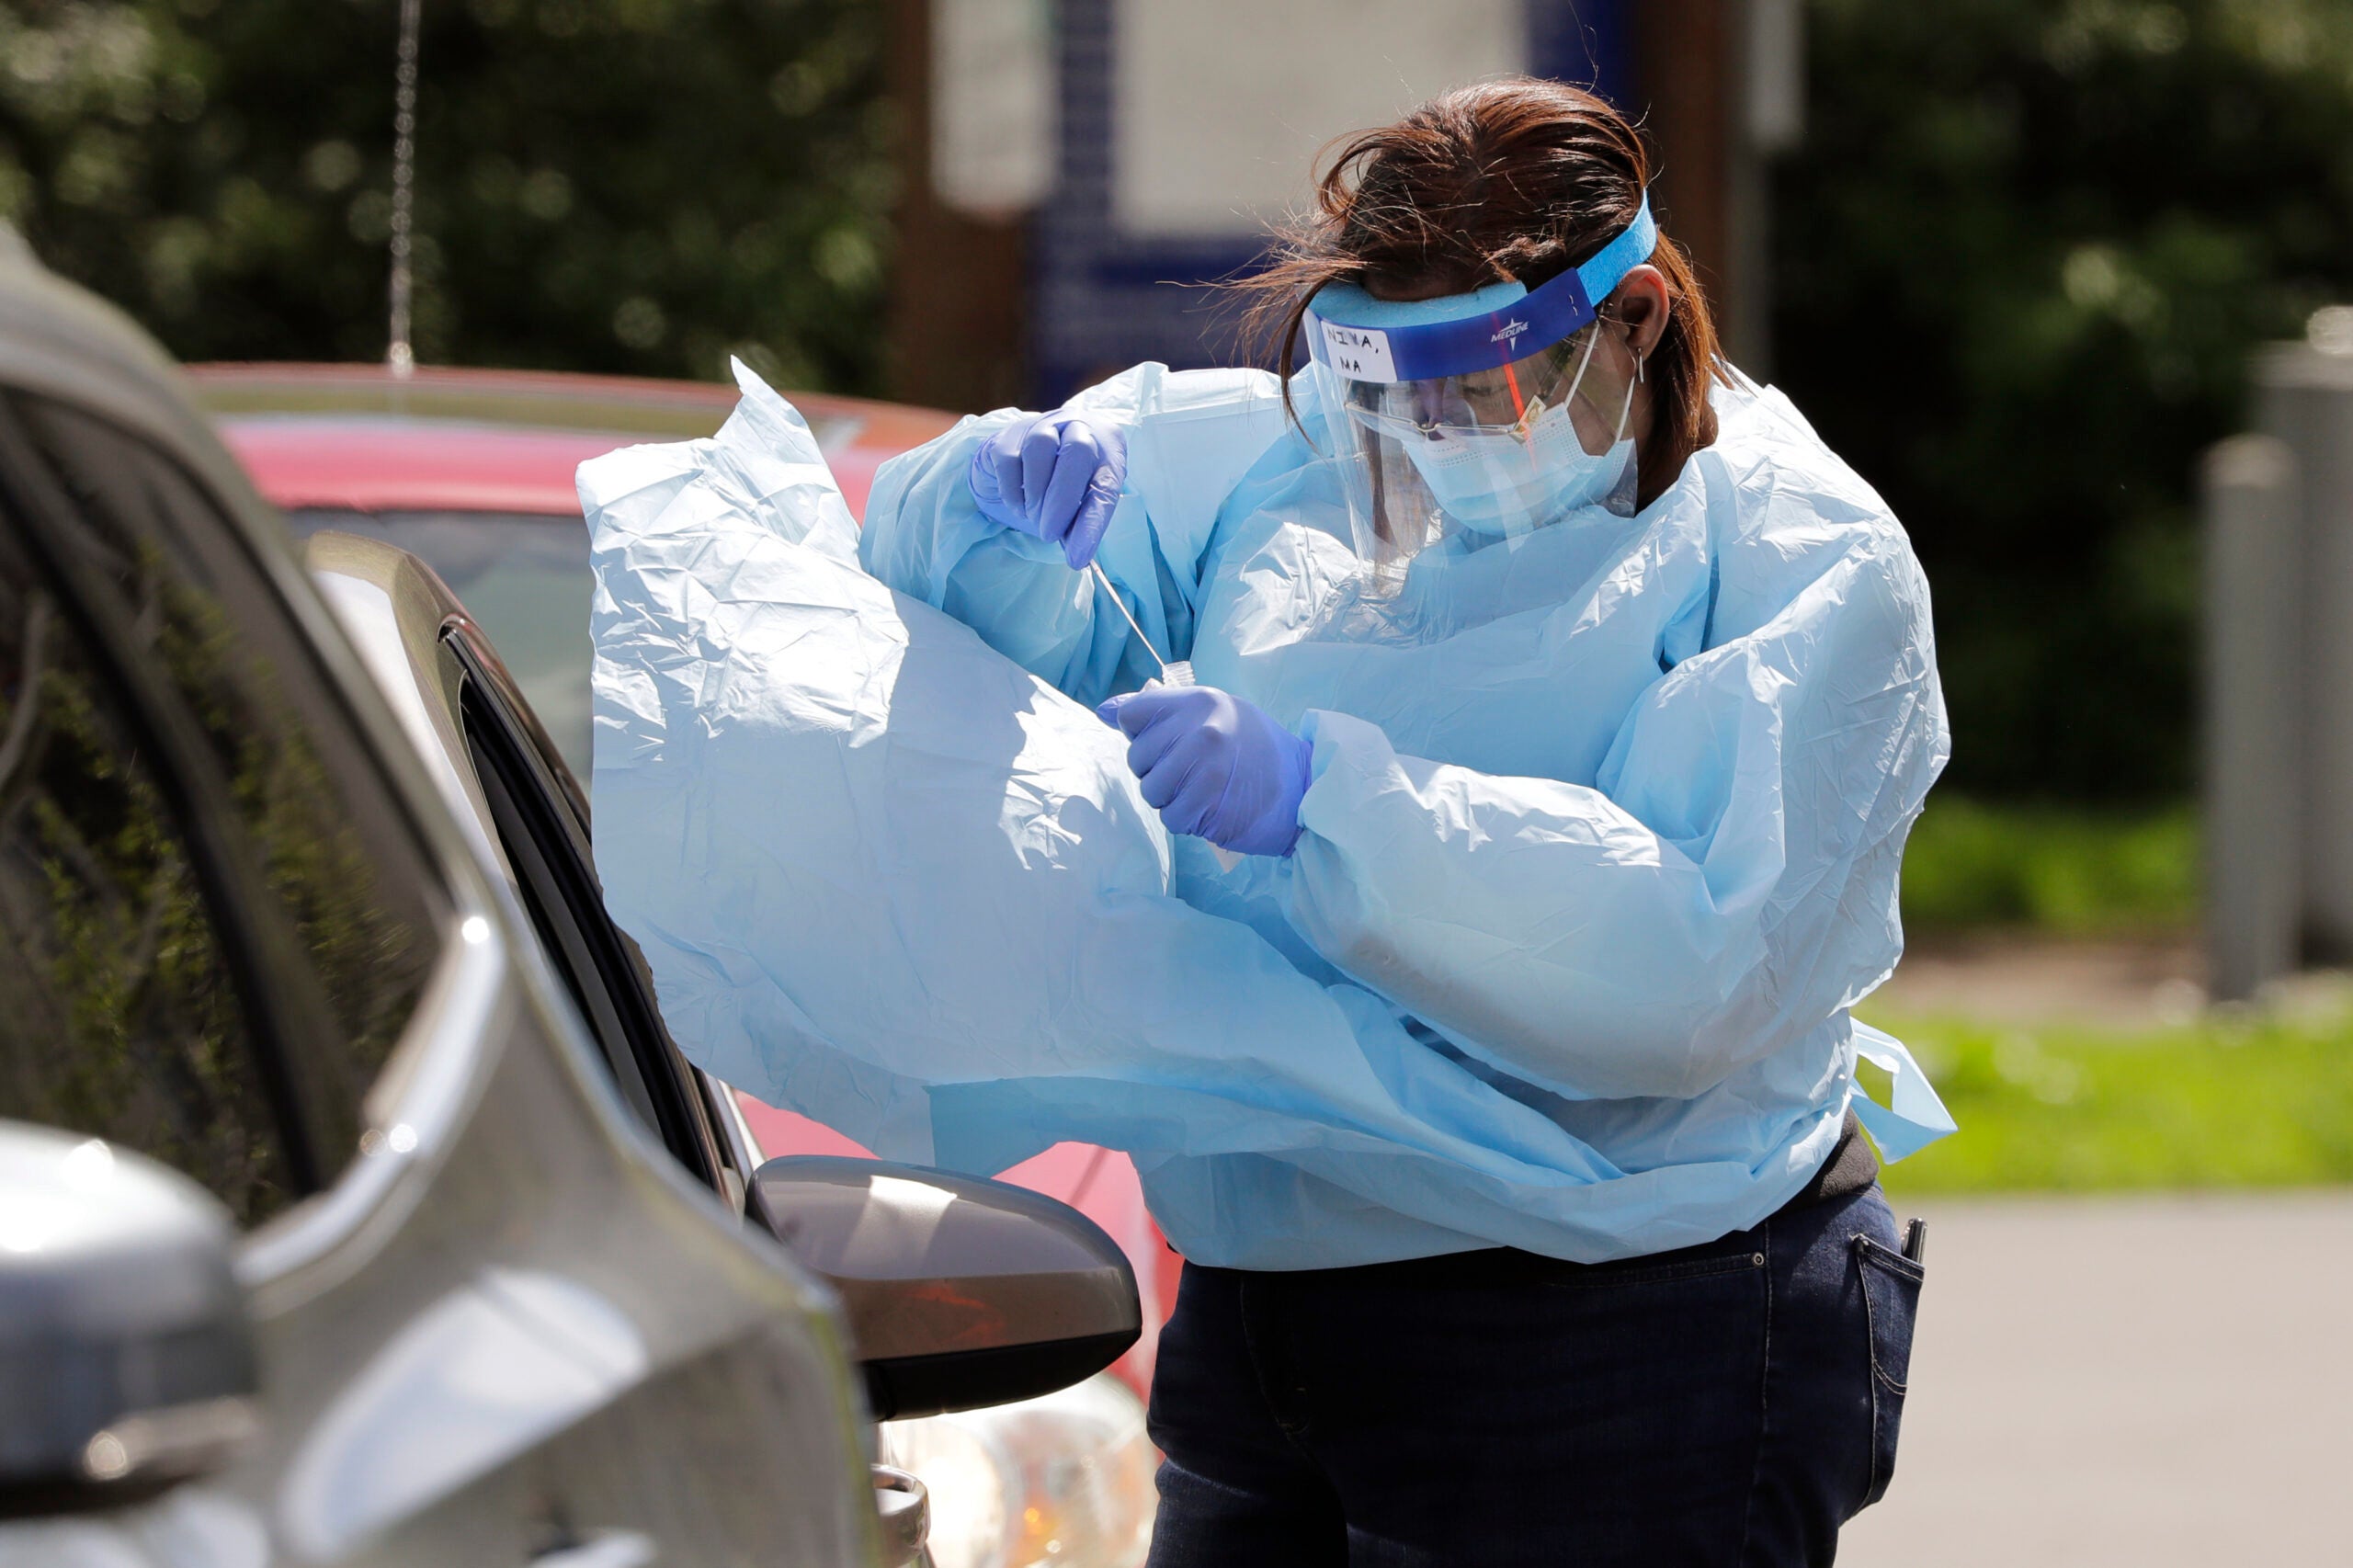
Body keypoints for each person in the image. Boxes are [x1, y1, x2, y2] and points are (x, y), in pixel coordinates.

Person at [860, 78, 1950, 1567]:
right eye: (1396, 386)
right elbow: (1007, 638)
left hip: (1624, 1323)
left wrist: (1331, 802)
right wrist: (983, 511)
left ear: (1634, 319)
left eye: (1481, 383)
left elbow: (1694, 965)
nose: (1434, 434)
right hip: (1273, 1317)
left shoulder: (1802, 558)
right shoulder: (1301, 463)